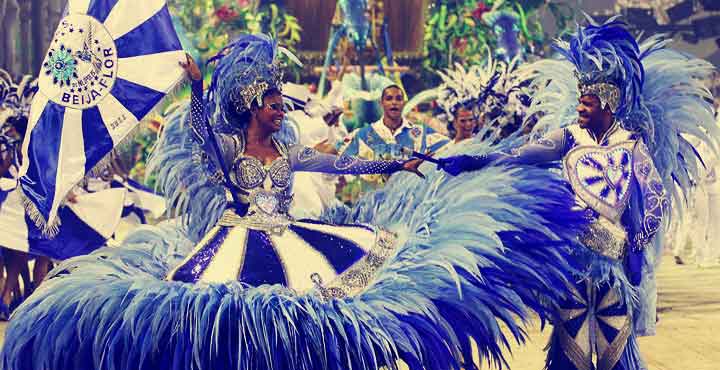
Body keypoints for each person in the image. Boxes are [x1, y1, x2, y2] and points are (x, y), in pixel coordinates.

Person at [3, 34, 587, 370]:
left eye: (284, 103)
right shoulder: (230, 147)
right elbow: (203, 131)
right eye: (275, 103)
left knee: (315, 319)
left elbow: (338, 163)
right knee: (235, 322)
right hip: (236, 244)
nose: (284, 111)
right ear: (253, 105)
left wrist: (396, 163)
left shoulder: (286, 146)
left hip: (293, 240)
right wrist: (197, 85)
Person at [438, 17, 717, 370]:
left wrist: (635, 247)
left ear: (607, 104)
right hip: (573, 261)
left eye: (586, 103)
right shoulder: (568, 137)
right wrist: (474, 161)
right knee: (573, 352)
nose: (579, 108)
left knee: (615, 348)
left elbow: (656, 202)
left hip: (615, 264)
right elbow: (519, 156)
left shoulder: (632, 147)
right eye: (579, 102)